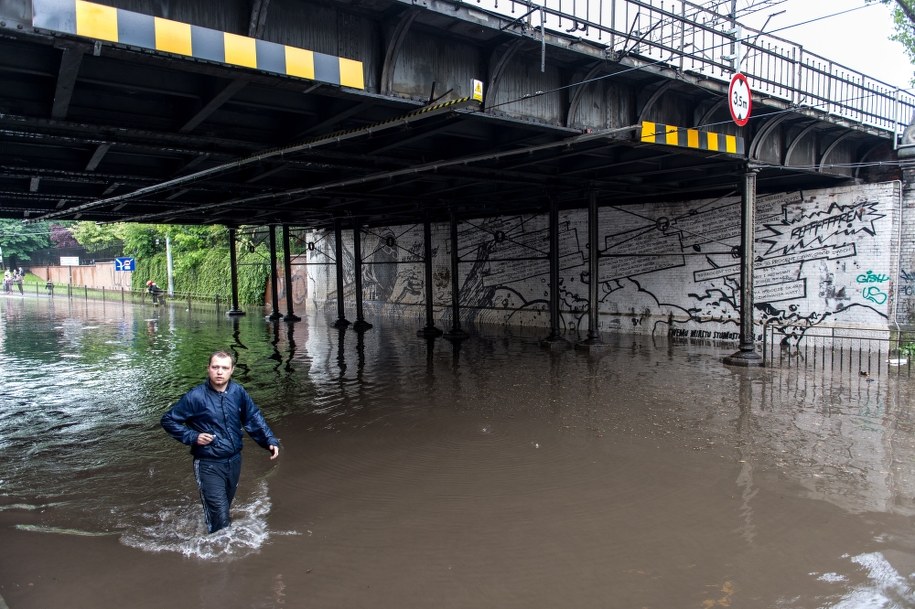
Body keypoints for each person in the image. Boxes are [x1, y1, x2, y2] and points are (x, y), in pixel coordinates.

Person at [161, 351, 280, 534]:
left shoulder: (238, 392)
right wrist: (193, 436)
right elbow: (168, 420)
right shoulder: (196, 397)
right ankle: (219, 553)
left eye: (224, 368)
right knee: (221, 518)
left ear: (231, 370)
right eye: (215, 367)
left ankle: (213, 534)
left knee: (224, 508)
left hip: (234, 461)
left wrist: (269, 440)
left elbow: (252, 417)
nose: (219, 372)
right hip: (208, 463)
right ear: (208, 369)